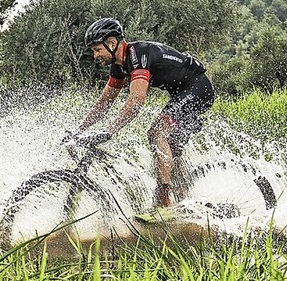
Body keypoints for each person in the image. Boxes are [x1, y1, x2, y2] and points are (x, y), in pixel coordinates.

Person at [67, 18, 215, 209]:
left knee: (156, 133)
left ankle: (163, 200)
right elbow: (105, 102)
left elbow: (136, 102)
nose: (95, 55)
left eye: (97, 49)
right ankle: (186, 202)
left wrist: (108, 131)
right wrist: (78, 130)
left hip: (198, 88)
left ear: (112, 43)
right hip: (181, 92)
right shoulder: (119, 66)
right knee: (171, 149)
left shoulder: (138, 56)